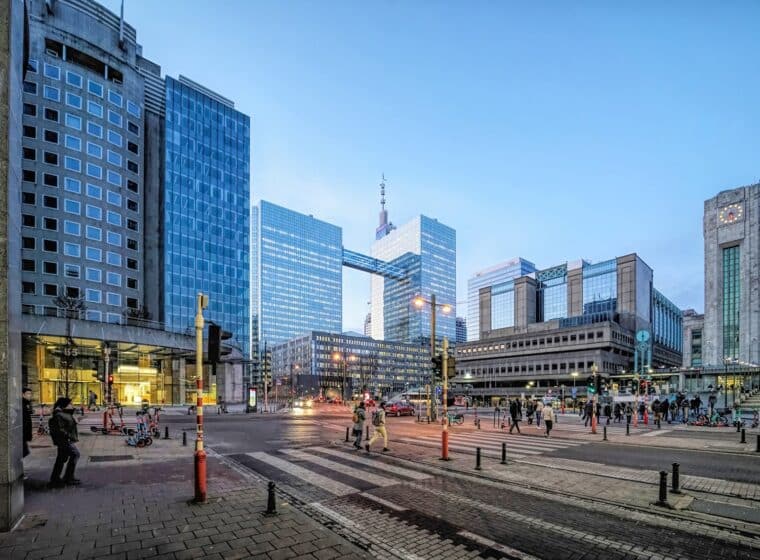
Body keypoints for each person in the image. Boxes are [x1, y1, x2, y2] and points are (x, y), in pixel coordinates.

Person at [48, 397, 81, 488]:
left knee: (61, 459)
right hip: (65, 440)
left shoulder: (64, 413)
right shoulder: (59, 415)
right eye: (70, 404)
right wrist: (68, 436)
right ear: (64, 405)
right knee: (75, 454)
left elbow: (68, 425)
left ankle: (56, 479)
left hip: (65, 440)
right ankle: (67, 477)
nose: (72, 405)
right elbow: (60, 429)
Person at [22, 387, 33, 458]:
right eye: (28, 393)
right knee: (22, 454)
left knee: (22, 454)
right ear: (23, 394)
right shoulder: (21, 405)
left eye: (30, 394)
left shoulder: (25, 404)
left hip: (23, 435)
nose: (30, 395)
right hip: (20, 435)